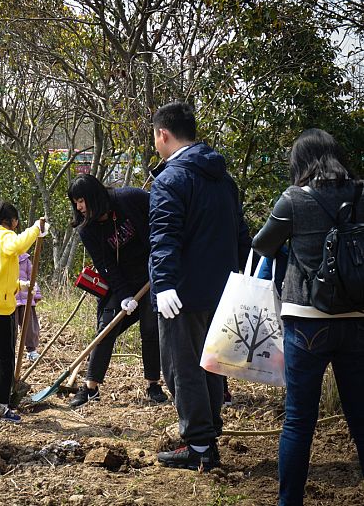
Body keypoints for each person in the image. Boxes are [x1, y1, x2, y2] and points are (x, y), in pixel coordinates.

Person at [251, 128, 364, 505]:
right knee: (361, 418)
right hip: (356, 318)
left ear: (301, 162)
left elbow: (262, 244)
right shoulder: (361, 193)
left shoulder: (294, 199)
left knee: (299, 422)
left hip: (306, 320)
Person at [149, 101, 250, 470]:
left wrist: (164, 285)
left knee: (182, 367)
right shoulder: (223, 178)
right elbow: (241, 234)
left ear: (164, 134)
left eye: (155, 136)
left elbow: (164, 237)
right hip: (222, 289)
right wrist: (239, 280)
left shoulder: (170, 180)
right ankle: (208, 435)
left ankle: (199, 447)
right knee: (211, 363)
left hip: (183, 292)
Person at [65, 174, 168, 407]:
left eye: (81, 201)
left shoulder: (129, 198)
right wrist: (123, 295)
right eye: (75, 202)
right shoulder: (87, 229)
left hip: (153, 273)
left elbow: (165, 210)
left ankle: (153, 385)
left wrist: (164, 257)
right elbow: (105, 265)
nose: (79, 207)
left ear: (94, 197)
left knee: (150, 329)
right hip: (121, 281)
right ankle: (91, 387)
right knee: (106, 328)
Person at [0, 199, 47, 422]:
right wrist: (35, 229)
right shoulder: (4, 235)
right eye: (17, 222)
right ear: (11, 221)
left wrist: (20, 286)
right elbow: (18, 246)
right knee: (6, 356)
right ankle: (2, 405)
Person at [15, 252, 42, 362]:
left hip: (27, 299)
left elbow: (32, 277)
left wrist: (37, 293)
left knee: (30, 327)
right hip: (11, 300)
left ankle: (31, 351)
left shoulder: (25, 259)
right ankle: (9, 352)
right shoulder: (3, 257)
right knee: (10, 329)